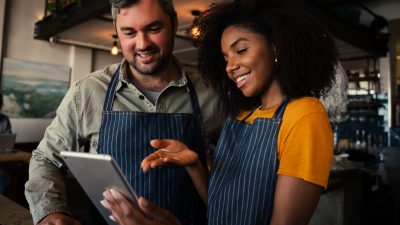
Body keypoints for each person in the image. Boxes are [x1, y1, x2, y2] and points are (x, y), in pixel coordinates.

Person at [101, 1, 337, 225]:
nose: (230, 66)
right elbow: (219, 204)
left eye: (241, 50)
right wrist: (193, 163)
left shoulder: (305, 116)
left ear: (275, 45)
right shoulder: (242, 114)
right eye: (225, 58)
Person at [24, 0, 224, 224]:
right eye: (129, 32)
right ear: (117, 32)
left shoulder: (212, 94)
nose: (142, 44)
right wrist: (51, 212)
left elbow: (233, 175)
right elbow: (46, 159)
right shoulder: (87, 92)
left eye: (153, 29)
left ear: (174, 23)